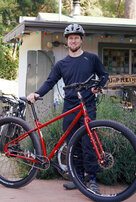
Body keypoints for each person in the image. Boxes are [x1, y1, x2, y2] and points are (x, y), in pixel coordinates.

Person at [27, 23, 108, 193]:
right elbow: (50, 82)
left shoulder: (91, 58)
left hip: (88, 106)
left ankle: (92, 180)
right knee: (73, 145)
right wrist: (36, 93)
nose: (73, 41)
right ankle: (78, 179)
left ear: (81, 40)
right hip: (70, 107)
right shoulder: (62, 64)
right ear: (67, 41)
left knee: (89, 143)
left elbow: (104, 75)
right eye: (70, 38)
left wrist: (98, 87)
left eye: (76, 38)